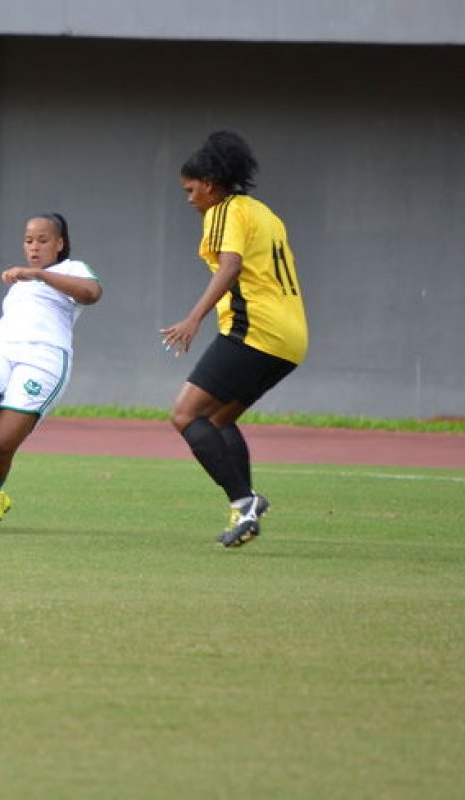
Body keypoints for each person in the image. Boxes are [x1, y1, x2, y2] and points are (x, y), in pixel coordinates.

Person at [160, 131, 309, 547]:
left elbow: (231, 266)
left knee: (186, 415)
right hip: (290, 337)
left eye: (191, 190)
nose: (189, 199)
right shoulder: (264, 213)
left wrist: (194, 318)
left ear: (209, 183)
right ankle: (247, 506)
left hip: (255, 330)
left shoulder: (223, 211)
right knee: (219, 419)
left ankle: (244, 502)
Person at [0, 213, 102, 529]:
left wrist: (40, 275)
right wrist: (31, 276)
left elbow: (92, 293)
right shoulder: (19, 284)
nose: (34, 246)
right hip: (0, 348)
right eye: (29, 240)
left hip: (43, 358)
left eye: (43, 240)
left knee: (1, 441)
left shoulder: (71, 269)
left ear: (60, 243)